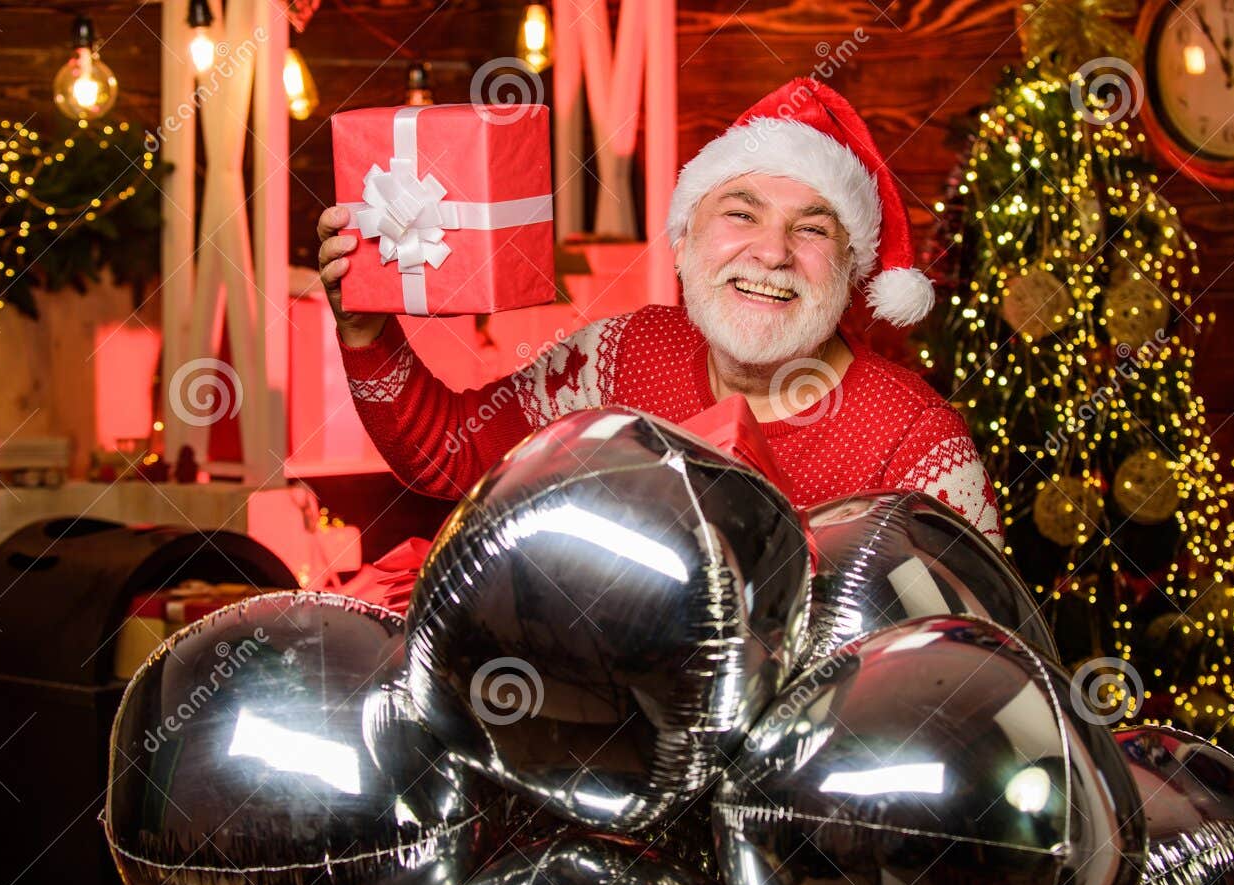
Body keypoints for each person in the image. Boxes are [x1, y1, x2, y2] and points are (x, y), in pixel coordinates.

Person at [317, 77, 1003, 547]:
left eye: (813, 229)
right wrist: (366, 332)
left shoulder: (917, 446)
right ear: (684, 243)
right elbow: (452, 456)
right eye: (741, 213)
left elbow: (965, 676)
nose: (772, 253)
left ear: (852, 273)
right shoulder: (622, 355)